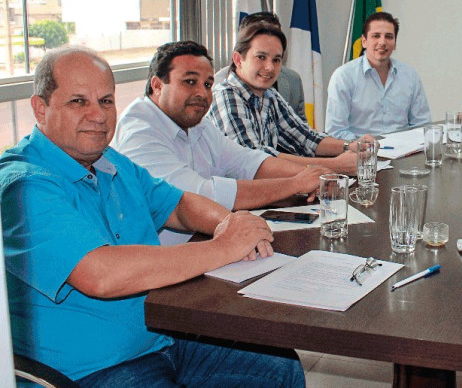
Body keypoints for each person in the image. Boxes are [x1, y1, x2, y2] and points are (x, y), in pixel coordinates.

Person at [0, 46, 304, 387]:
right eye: (78, 101)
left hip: (162, 338)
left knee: (278, 367)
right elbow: (100, 274)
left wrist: (228, 223)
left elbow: (178, 204)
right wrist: (225, 247)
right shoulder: (23, 185)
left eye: (105, 101)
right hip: (92, 371)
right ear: (40, 109)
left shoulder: (109, 160)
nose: (98, 115)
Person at [114, 40, 333, 245]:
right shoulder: (139, 134)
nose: (202, 93)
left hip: (203, 246)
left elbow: (248, 162)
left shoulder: (196, 123)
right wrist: (295, 184)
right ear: (157, 85)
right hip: (160, 267)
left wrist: (312, 177)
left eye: (208, 84)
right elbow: (198, 197)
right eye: (190, 82)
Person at [209, 21, 373, 161]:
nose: (270, 67)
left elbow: (306, 138)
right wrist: (336, 165)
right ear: (238, 60)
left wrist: (350, 146)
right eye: (261, 57)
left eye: (276, 60)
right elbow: (255, 160)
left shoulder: (269, 95)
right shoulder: (226, 95)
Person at [326, 11, 430, 139]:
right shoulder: (343, 76)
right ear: (364, 41)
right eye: (376, 36)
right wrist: (364, 147)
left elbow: (421, 125)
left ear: (395, 43)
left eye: (389, 37)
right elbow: (336, 131)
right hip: (359, 154)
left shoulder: (410, 75)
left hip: (404, 152)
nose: (382, 42)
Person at [214, 11, 307, 120]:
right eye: (261, 57)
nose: (270, 67)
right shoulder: (221, 87)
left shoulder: (289, 82)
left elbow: (301, 131)